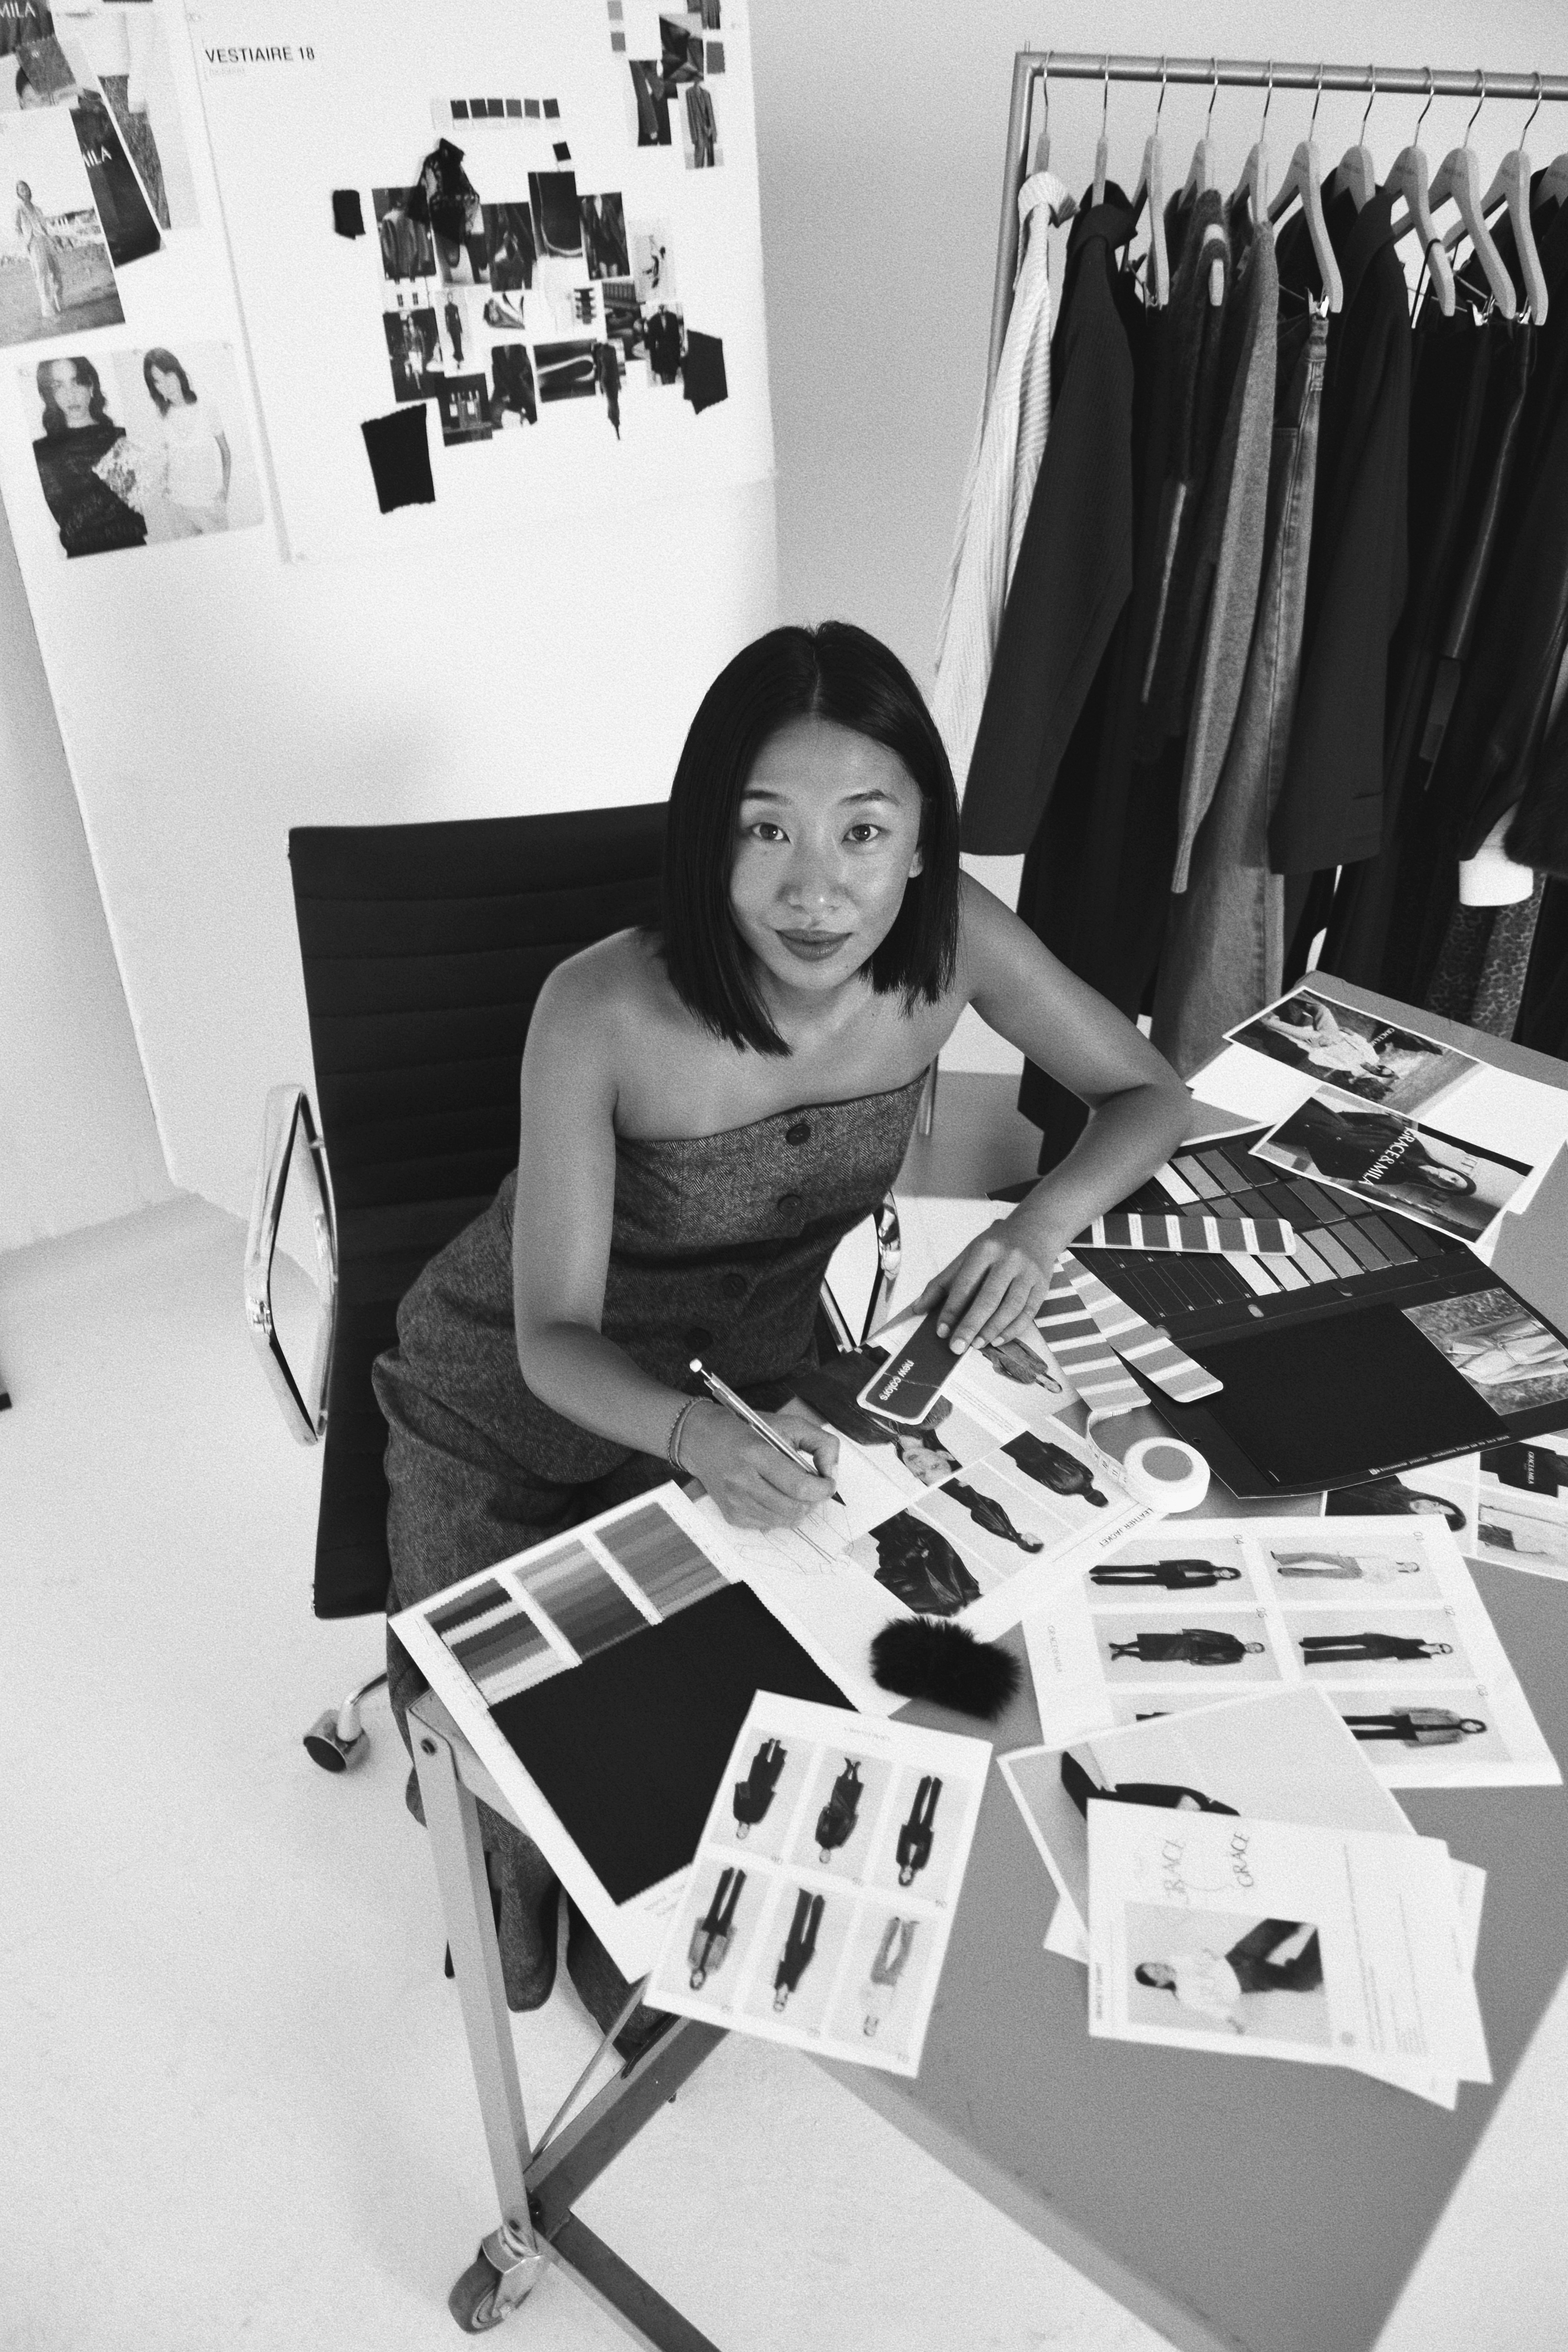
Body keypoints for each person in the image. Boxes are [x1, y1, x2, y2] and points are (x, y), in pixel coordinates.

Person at [372, 621, 1189, 2040]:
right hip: (501, 1397)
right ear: (709, 838)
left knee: (722, 1761)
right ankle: (485, 1814)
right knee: (516, 1901)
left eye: (862, 830)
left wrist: (1037, 1223)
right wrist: (690, 1432)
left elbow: (1148, 1093)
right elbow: (550, 1333)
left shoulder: (956, 946)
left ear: (922, 841)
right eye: (765, 829)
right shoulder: (598, 1005)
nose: (815, 890)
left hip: (751, 1383)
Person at [31, 354, 147, 558]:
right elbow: (71, 526)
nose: (71, 394)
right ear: (50, 395)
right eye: (59, 386)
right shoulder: (42, 451)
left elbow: (143, 513)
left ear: (91, 386)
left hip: (136, 551)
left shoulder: (125, 437)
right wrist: (115, 477)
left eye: (77, 382)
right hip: (85, 559)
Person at [1136, 1919, 1322, 2029]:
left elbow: (1205, 1954)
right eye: (1157, 1972)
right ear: (1160, 1984)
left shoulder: (1175, 1961)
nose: (1160, 1967)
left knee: (1276, 1925)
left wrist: (1202, 1960)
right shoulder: (1185, 1995)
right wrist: (1235, 2023)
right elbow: (1212, 2008)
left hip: (1237, 1956)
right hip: (1247, 1978)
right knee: (1302, 1981)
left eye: (1156, 1965)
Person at [141, 347, 230, 534]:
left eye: (168, 375)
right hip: (178, 505)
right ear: (154, 387)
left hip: (209, 504)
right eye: (158, 381)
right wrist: (165, 489)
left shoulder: (206, 407)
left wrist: (224, 490)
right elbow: (166, 459)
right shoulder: (161, 417)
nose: (166, 385)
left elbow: (225, 452)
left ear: (178, 373)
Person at [1060, 1752, 1238, 1818]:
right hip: (1189, 1808)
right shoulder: (1237, 1823)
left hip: (1188, 1814)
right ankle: (1072, 1772)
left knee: (1106, 1811)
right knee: (1103, 1808)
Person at [866, 1512, 979, 1615]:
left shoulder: (955, 1596)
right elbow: (938, 1546)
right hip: (900, 1537)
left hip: (898, 1540)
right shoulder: (965, 1589)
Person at [1004, 1429, 1107, 1506]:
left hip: (1045, 1452)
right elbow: (1041, 1479)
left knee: (1018, 1431)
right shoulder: (1066, 1492)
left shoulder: (1088, 1476)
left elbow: (1069, 1458)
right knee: (1004, 1439)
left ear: (1099, 1492)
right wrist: (1022, 1467)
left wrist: (1052, 1447)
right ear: (1089, 1501)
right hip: (1029, 1461)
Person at [942, 1477, 1042, 1552]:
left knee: (943, 1479)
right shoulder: (1010, 1534)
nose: (1036, 1537)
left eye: (1037, 1540)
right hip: (968, 1498)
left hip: (966, 1495)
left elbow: (983, 1509)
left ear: (1030, 1543)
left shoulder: (1009, 1532)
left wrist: (968, 1489)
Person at [687, 1865, 743, 1989]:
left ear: (692, 1977)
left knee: (716, 1903)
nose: (698, 1978)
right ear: (703, 1981)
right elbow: (725, 1952)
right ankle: (740, 1878)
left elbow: (693, 1942)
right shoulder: (713, 1969)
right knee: (731, 1907)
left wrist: (698, 1926)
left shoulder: (691, 1961)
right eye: (699, 1982)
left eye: (694, 1980)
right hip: (720, 1938)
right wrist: (730, 1936)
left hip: (705, 1933)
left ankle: (727, 1875)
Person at [14, 176, 64, 318]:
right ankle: (48, 310)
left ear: (29, 190)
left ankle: (60, 303)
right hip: (34, 243)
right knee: (42, 276)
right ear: (18, 193)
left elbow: (45, 228)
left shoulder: (38, 209)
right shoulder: (19, 209)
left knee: (56, 272)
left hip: (45, 240)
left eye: (26, 188)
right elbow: (17, 229)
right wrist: (27, 243)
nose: (25, 191)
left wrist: (52, 240)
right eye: (21, 190)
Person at [863, 1916, 917, 2037]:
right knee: (904, 1956)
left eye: (869, 2029)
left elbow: (863, 1991)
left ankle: (894, 1923)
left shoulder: (865, 2008)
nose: (872, 2027)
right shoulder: (885, 2014)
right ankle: (909, 1928)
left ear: (865, 2025)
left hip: (876, 1978)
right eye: (873, 2030)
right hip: (890, 1983)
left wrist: (872, 1986)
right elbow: (895, 2000)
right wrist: (897, 1984)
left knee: (884, 1949)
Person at [773, 1889, 823, 2009]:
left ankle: (805, 1897)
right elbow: (803, 1974)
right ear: (785, 2003)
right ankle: (818, 1903)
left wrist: (784, 1948)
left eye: (778, 2002)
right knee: (813, 1930)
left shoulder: (775, 1983)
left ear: (775, 2000)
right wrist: (811, 1958)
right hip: (803, 1958)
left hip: (790, 1954)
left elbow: (778, 1964)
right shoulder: (794, 1989)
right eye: (782, 2004)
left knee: (797, 1925)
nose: (781, 2001)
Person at [1108, 1628, 1266, 1667]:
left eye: (1255, 1650)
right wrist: (1188, 1632)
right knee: (1153, 1642)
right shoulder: (1232, 1638)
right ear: (1252, 1642)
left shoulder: (1237, 1658)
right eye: (1254, 1645)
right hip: (1189, 1641)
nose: (1252, 1647)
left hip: (1190, 1653)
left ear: (1254, 1654)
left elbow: (1215, 1662)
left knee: (1155, 1655)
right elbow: (1208, 1633)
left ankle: (1124, 1653)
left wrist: (1195, 1661)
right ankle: (1121, 1646)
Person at [1342, 1708, 1488, 1747]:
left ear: (1473, 1732)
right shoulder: (1452, 1715)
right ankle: (1342, 1720)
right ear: (1472, 1720)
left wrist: (1414, 1744)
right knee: (1370, 1720)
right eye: (1475, 1724)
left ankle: (1343, 1736)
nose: (1472, 1726)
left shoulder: (1458, 1737)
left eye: (1475, 1729)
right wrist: (1402, 1710)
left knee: (1377, 1735)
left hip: (1416, 1736)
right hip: (1410, 1719)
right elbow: (1426, 1710)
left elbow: (1437, 1744)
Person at [732, 1737, 786, 1834]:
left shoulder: (738, 1815)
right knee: (773, 1770)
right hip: (763, 1792)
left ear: (738, 1829)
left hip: (752, 1787)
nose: (743, 1831)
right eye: (745, 1834)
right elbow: (764, 1806)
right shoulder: (756, 1819)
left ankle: (768, 1745)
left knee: (759, 1766)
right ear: (747, 1832)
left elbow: (737, 1801)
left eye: (740, 1832)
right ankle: (778, 1748)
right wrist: (770, 1794)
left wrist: (739, 1787)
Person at [976, 1334, 1063, 1393]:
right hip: (1007, 1345)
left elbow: (1002, 1373)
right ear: (1055, 1382)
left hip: (993, 1354)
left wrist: (995, 1360)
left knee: (978, 1340)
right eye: (1055, 1386)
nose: (1052, 1386)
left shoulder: (1026, 1382)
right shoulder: (1043, 1367)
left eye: (1052, 1389)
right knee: (987, 1332)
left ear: (1047, 1389)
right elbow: (1029, 1350)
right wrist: (1012, 1339)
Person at [1298, 1632, 1453, 1664]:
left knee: (1347, 1655)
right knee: (1344, 1640)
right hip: (1382, 1639)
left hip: (1384, 1653)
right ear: (1439, 1643)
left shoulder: (1426, 1658)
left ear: (1441, 1654)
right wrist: (1374, 1633)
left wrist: (1383, 1661)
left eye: (1442, 1651)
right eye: (1442, 1646)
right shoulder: (1420, 1639)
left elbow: (1403, 1662)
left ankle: (1310, 1657)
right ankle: (1309, 1643)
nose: (1439, 1649)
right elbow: (1400, 1636)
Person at [815, 1757, 863, 1858]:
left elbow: (820, 1822)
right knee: (853, 1791)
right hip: (846, 1815)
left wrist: (825, 1810)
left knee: (839, 1788)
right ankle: (855, 1770)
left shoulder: (819, 1838)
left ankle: (848, 1768)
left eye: (823, 1856)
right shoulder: (839, 1843)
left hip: (834, 1811)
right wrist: (854, 1818)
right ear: (830, 1856)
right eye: (827, 1857)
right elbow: (849, 1831)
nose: (826, 1855)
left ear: (820, 1854)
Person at [896, 1777, 940, 1884]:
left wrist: (904, 1828)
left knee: (917, 1807)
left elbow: (901, 1843)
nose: (906, 1876)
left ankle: (925, 1782)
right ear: (911, 1878)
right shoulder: (921, 1865)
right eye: (908, 1879)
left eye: (903, 1877)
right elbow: (927, 1849)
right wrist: (931, 1834)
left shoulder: (900, 1860)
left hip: (911, 1833)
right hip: (924, 1836)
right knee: (931, 1809)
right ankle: (937, 1784)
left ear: (901, 1875)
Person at [1272, 1551, 1423, 1582]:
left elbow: (1374, 1581)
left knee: (1319, 1573)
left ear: (1410, 1572)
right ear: (1408, 1561)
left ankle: (1285, 1572)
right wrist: (1346, 1553)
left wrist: (1366, 1575)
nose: (1409, 1566)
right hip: (1353, 1561)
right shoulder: (1387, 1557)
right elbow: (1366, 1554)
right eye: (1412, 1564)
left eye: (1412, 1569)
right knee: (1316, 1556)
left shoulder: (1392, 1577)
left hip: (1356, 1574)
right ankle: (1281, 1558)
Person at [1090, 1559, 1241, 1589]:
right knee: (1131, 1568)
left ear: (1228, 1579)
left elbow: (1191, 1585)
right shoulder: (1207, 1564)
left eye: (1230, 1576)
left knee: (1135, 1581)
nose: (1227, 1574)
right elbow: (1184, 1561)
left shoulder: (1212, 1582)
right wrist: (1163, 1563)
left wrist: (1170, 1586)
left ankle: (1100, 1580)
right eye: (1230, 1571)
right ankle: (1098, 1569)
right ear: (1227, 1568)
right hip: (1169, 1568)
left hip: (1173, 1580)